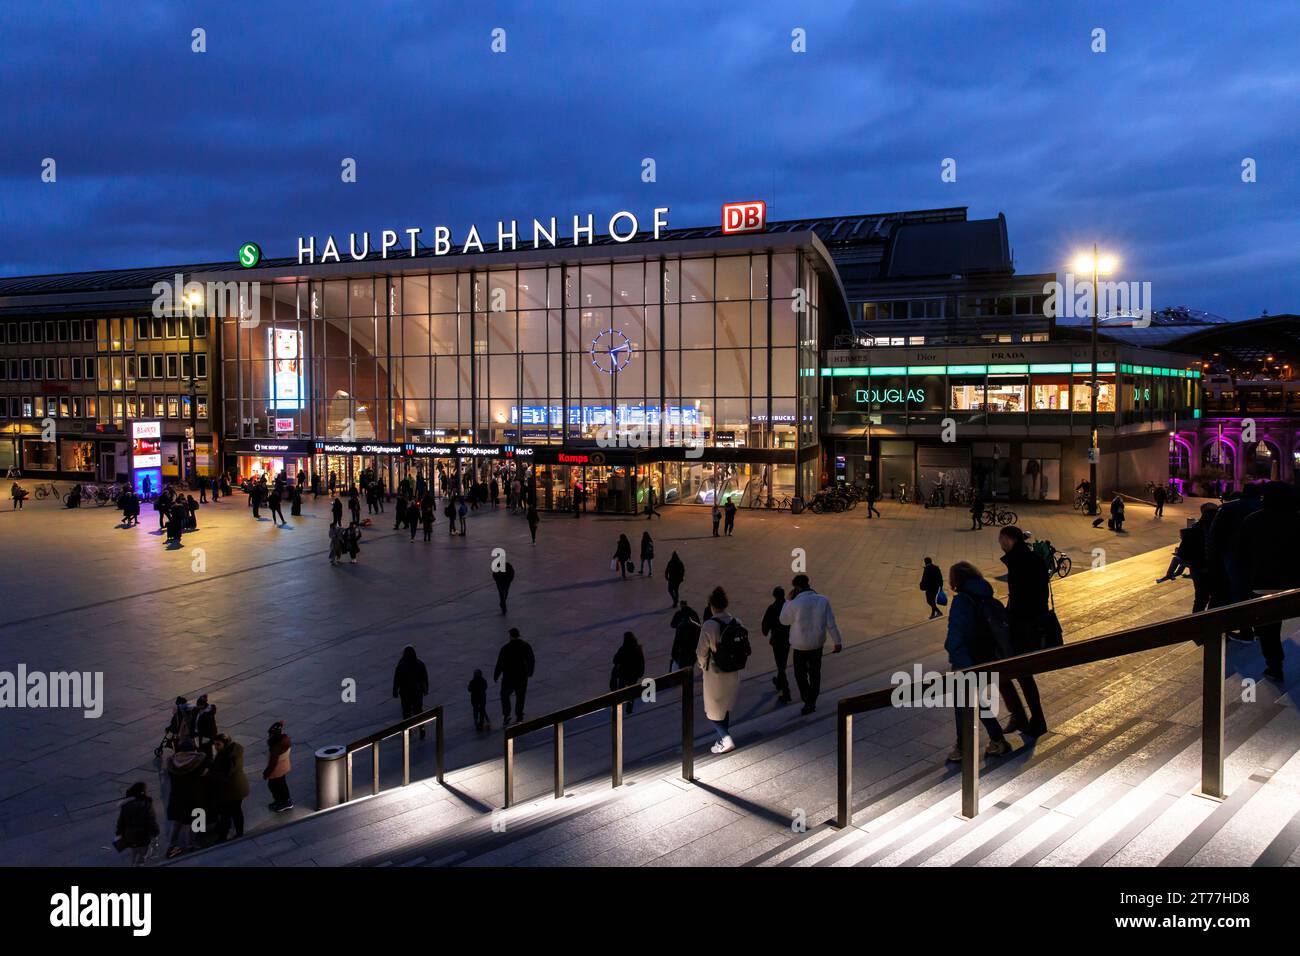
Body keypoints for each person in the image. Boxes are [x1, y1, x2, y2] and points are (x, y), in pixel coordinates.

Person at [943, 561, 1013, 762]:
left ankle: (963, 747)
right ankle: (997, 741)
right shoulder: (985, 595)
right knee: (975, 701)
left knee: (961, 704)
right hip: (986, 656)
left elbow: (955, 634)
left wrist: (951, 650)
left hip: (967, 660)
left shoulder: (962, 601)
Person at [1233, 481, 1299, 683]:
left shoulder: (1253, 521)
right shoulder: (1297, 520)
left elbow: (1241, 555)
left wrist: (1243, 584)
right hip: (1295, 584)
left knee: (1269, 630)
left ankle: (1275, 667)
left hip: (1263, 582)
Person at [997, 527, 1050, 737]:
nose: (1000, 544)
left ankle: (1029, 718)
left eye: (1001, 540)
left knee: (1015, 672)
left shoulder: (1019, 562)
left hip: (1023, 627)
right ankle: (1030, 718)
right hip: (1032, 623)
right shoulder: (1031, 558)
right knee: (1020, 675)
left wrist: (1010, 620)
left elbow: (1020, 598)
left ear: (1008, 540)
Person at [779, 574, 844, 714]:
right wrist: (837, 641)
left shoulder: (795, 603)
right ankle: (812, 700)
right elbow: (831, 623)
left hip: (800, 646)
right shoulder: (823, 600)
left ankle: (807, 699)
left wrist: (787, 601)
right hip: (816, 645)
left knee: (800, 675)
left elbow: (783, 620)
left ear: (796, 587)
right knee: (815, 673)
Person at [696, 586, 744, 753]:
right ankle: (720, 740)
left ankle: (726, 738)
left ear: (711, 606)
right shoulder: (736, 622)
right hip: (733, 671)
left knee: (711, 710)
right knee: (724, 707)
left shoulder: (709, 625)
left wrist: (702, 665)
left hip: (715, 674)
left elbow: (701, 652)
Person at [163, 740, 208, 858]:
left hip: (176, 797)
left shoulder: (171, 763)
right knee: (195, 821)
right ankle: (192, 844)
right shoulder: (198, 761)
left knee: (177, 822)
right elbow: (203, 757)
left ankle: (172, 844)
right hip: (193, 795)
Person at [208, 734, 249, 842]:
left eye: (218, 744)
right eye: (215, 744)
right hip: (234, 788)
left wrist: (211, 773)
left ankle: (225, 836)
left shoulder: (229, 756)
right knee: (235, 812)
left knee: (227, 814)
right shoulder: (230, 752)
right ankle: (236, 832)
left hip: (232, 790)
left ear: (225, 744)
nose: (215, 747)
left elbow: (225, 774)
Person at [1180, 502, 1219, 612]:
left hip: (1198, 569)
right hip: (1214, 570)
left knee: (1201, 598)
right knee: (1215, 597)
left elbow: (1183, 553)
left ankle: (1198, 624)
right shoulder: (1221, 528)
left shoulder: (1194, 529)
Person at [494, 627, 535, 726]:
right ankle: (519, 716)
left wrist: (496, 675)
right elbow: (531, 659)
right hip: (521, 676)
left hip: (508, 676)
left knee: (504, 695)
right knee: (520, 696)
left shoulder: (505, 648)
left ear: (510, 636)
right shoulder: (525, 646)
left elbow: (500, 663)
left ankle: (507, 714)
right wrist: (530, 672)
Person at [114, 782, 159, 866]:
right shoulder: (146, 804)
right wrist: (155, 831)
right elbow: (151, 820)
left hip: (130, 836)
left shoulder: (126, 805)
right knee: (142, 858)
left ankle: (132, 864)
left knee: (133, 855)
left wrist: (119, 833)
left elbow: (121, 821)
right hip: (143, 836)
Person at [761, 586, 792, 704]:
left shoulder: (772, 608)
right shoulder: (788, 607)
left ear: (774, 596)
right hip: (788, 639)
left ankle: (786, 691)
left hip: (777, 640)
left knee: (780, 665)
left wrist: (766, 631)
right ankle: (779, 683)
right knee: (782, 663)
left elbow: (765, 625)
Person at [393, 645, 430, 738]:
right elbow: (425, 678)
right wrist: (425, 689)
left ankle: (408, 732)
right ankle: (422, 729)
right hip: (417, 692)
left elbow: (396, 679)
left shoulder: (401, 665)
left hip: (405, 693)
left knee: (406, 713)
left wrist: (395, 691)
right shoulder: (420, 664)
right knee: (418, 711)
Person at [610, 632, 646, 713]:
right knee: (631, 691)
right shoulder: (638, 649)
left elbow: (615, 660)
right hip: (634, 676)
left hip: (623, 675)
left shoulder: (623, 649)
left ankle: (618, 707)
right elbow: (642, 662)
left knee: (620, 691)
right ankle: (629, 706)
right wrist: (640, 673)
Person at [262, 720, 293, 812]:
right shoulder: (284, 740)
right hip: (283, 766)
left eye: (270, 734)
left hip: (277, 769)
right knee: (282, 784)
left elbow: (272, 763)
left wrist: (266, 773)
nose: (269, 736)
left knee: (274, 786)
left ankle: (282, 803)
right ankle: (285, 801)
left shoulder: (275, 747)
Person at [670, 600, 702, 672]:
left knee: (683, 671)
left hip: (683, 652)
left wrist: (674, 655)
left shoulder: (680, 624)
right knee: (690, 668)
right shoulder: (693, 615)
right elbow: (699, 628)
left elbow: (676, 641)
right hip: (692, 652)